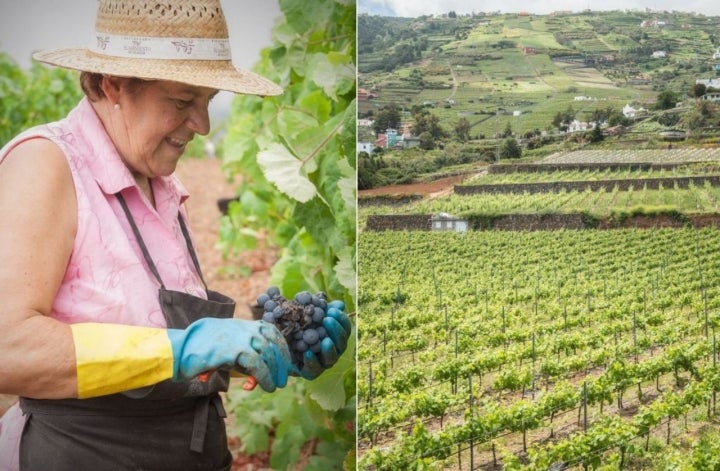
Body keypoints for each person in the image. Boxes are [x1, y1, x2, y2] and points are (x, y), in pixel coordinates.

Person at [0, 1, 351, 470]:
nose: (202, 125)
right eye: (184, 101)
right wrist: (186, 347)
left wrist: (268, 345)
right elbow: (9, 347)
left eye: (207, 102)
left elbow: (155, 342)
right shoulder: (46, 164)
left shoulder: (157, 184)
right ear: (114, 84)